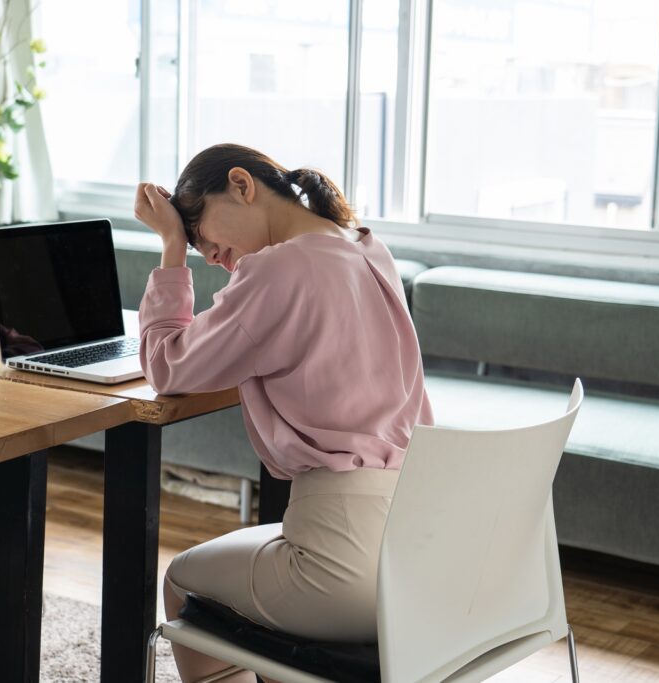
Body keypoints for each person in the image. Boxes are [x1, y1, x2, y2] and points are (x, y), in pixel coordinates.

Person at [134, 143, 434, 682]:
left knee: (184, 581)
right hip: (419, 556)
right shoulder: (368, 248)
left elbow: (165, 365)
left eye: (203, 230)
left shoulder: (278, 270)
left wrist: (172, 246)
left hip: (341, 564)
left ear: (242, 185)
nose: (209, 254)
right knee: (256, 609)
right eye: (195, 244)